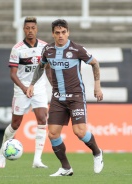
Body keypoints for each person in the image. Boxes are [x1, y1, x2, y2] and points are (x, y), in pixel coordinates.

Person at [26, 19, 104, 176]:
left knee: (80, 132)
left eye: (63, 32)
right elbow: (41, 67)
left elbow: (95, 63)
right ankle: (66, 168)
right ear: (53, 34)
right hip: (58, 98)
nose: (60, 35)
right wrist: (32, 84)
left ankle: (97, 152)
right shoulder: (48, 50)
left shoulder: (77, 49)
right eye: (57, 33)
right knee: (53, 134)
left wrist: (97, 86)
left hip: (76, 97)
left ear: (68, 32)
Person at [0, 17, 50, 169]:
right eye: (27, 28)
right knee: (15, 124)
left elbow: (48, 69)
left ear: (37, 29)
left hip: (39, 87)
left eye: (33, 28)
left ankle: (37, 160)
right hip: (22, 89)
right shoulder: (17, 49)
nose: (30, 31)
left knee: (42, 119)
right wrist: (24, 88)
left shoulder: (45, 47)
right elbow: (13, 74)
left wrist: (54, 86)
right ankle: (2, 151)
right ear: (24, 30)